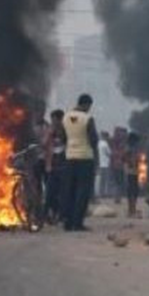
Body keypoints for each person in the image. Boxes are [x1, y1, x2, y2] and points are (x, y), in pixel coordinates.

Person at [61, 94, 99, 232]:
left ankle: (67, 222)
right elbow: (93, 140)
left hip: (70, 158)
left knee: (69, 190)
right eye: (89, 106)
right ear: (86, 104)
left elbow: (63, 138)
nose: (89, 109)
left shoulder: (65, 117)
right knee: (82, 192)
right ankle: (77, 223)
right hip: (85, 158)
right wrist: (96, 159)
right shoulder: (88, 119)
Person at [44, 109, 67, 223]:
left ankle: (61, 215)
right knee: (50, 193)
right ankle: (49, 214)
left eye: (54, 119)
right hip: (52, 166)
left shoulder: (66, 131)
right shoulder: (50, 131)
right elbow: (45, 145)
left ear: (60, 119)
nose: (53, 122)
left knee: (62, 193)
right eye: (52, 119)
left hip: (63, 167)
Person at [124, 131, 143, 218]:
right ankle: (131, 210)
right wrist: (133, 163)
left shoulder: (131, 148)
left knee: (133, 190)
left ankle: (132, 209)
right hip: (132, 172)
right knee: (133, 190)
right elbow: (126, 159)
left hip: (133, 171)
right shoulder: (129, 148)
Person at [110, 127, 128, 204]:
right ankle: (117, 198)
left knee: (117, 182)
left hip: (115, 165)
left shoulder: (114, 143)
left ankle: (117, 197)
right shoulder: (120, 144)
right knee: (119, 182)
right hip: (118, 165)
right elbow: (122, 154)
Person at [96, 130, 113, 199]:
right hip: (106, 164)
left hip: (100, 163)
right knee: (107, 179)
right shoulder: (105, 144)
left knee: (101, 180)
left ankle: (101, 193)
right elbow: (110, 153)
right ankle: (106, 193)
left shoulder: (98, 143)